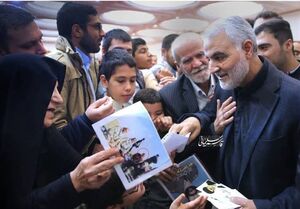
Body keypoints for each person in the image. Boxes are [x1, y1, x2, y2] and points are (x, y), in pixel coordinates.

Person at [171, 16, 300, 209]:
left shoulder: (294, 98)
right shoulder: (227, 86)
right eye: (209, 59)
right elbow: (212, 125)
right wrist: (196, 120)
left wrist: (260, 206)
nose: (212, 68)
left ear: (247, 49)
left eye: (220, 57)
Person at [0, 54, 125, 209]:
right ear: (20, 93)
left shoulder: (43, 128)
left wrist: (87, 121)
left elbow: (63, 154)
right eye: (48, 89)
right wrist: (75, 182)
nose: (59, 99)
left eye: (57, 89)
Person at [160, 32, 235, 175]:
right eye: (187, 60)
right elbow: (186, 148)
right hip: (206, 172)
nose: (197, 63)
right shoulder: (170, 97)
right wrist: (214, 131)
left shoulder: (229, 78)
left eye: (200, 55)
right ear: (178, 66)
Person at [48, 2, 104, 129]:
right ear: (77, 30)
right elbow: (56, 125)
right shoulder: (58, 64)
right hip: (72, 147)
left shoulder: (92, 63)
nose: (102, 33)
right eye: (97, 27)